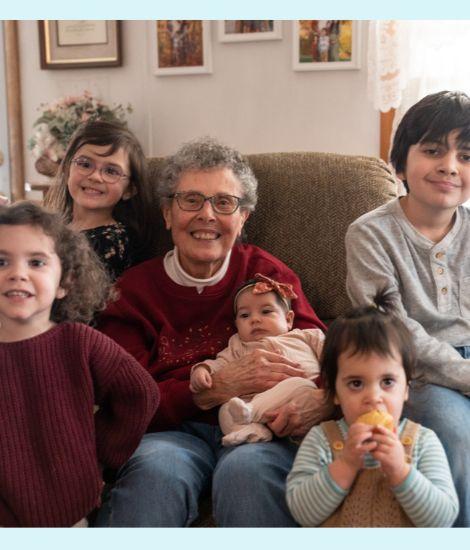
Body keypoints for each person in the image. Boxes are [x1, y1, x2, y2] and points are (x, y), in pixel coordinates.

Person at [93, 136, 326, 527]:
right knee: (156, 471)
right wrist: (212, 389)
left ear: (243, 218)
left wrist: (320, 400)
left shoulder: (269, 277)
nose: (207, 215)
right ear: (167, 213)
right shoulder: (130, 294)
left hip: (264, 428)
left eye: (223, 203)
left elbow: (327, 356)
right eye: (191, 200)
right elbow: (124, 400)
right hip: (171, 433)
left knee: (247, 472)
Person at [345, 90, 470, 526]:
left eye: (465, 155)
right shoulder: (370, 235)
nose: (450, 166)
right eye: (433, 150)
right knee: (453, 429)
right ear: (400, 164)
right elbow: (394, 333)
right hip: (416, 371)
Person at [0, 201, 159, 527]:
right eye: (1, 261)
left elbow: (141, 393)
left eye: (36, 261)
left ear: (65, 282)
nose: (17, 273)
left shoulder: (80, 342)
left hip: (71, 514)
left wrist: (98, 453)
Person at [286, 291, 459, 527]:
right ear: (335, 392)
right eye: (356, 383)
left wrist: (401, 471)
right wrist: (346, 464)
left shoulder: (422, 442)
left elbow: (442, 520)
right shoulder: (322, 441)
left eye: (387, 382)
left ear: (406, 389)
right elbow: (302, 513)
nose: (374, 398)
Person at [190, 273, 327, 447]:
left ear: (288, 319)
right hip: (257, 409)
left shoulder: (307, 336)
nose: (254, 319)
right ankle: (251, 431)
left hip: (302, 402)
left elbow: (335, 358)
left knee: (301, 384)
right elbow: (219, 365)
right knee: (225, 410)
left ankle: (251, 414)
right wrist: (202, 370)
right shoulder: (237, 345)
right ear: (236, 324)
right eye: (245, 316)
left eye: (266, 311)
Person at [44, 120, 156, 281]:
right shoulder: (54, 226)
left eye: (111, 171)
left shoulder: (113, 242)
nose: (95, 176)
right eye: (85, 164)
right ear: (68, 168)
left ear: (129, 190)